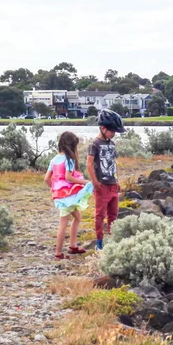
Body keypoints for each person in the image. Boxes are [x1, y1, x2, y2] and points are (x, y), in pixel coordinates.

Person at [45, 131, 92, 259]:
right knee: (63, 223)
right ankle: (58, 253)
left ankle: (72, 245)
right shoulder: (69, 159)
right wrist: (85, 182)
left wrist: (54, 189)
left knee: (77, 216)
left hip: (61, 196)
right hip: (68, 196)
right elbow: (69, 177)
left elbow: (47, 178)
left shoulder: (54, 159)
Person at [87, 110, 125, 250]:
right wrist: (95, 182)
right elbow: (89, 163)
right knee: (100, 214)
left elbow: (113, 162)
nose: (113, 134)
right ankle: (99, 242)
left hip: (112, 184)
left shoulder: (112, 144)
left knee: (113, 214)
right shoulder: (94, 144)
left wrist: (117, 179)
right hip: (102, 185)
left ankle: (112, 238)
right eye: (112, 131)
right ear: (103, 128)